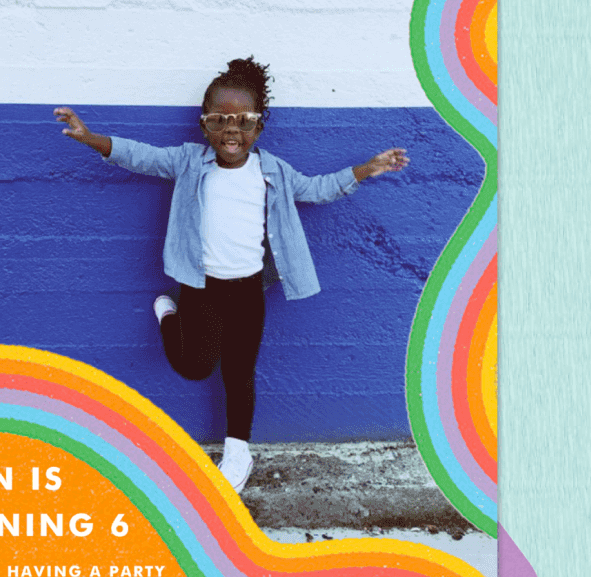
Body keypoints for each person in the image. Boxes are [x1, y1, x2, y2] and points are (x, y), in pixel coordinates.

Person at [52, 57, 407, 493]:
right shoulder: (188, 162)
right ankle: (168, 314)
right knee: (194, 367)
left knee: (239, 372)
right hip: (200, 288)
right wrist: (91, 139)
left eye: (244, 120)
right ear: (205, 126)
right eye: (220, 120)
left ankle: (239, 450)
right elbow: (141, 157)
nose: (231, 130)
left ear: (260, 126)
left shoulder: (272, 170)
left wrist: (366, 169)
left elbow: (315, 189)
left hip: (248, 290)